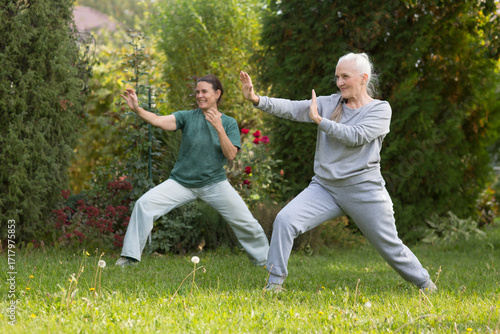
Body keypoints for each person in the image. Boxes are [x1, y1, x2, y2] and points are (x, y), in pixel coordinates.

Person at [239, 53, 437, 292]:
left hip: (364, 191)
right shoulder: (329, 103)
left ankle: (426, 284)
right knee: (285, 220)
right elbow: (293, 108)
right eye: (337, 77)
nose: (339, 82)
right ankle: (274, 284)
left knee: (390, 247)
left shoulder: (380, 110)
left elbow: (356, 136)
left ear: (363, 78)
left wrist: (321, 121)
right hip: (324, 188)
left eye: (345, 76)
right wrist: (257, 99)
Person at [116, 74, 269, 267]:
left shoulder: (229, 123)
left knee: (247, 223)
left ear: (217, 93)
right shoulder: (187, 117)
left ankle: (266, 262)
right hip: (181, 183)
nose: (199, 95)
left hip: (214, 183)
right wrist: (137, 109)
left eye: (204, 91)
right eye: (197, 92)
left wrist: (218, 128)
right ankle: (129, 258)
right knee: (144, 204)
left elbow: (230, 155)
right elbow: (156, 120)